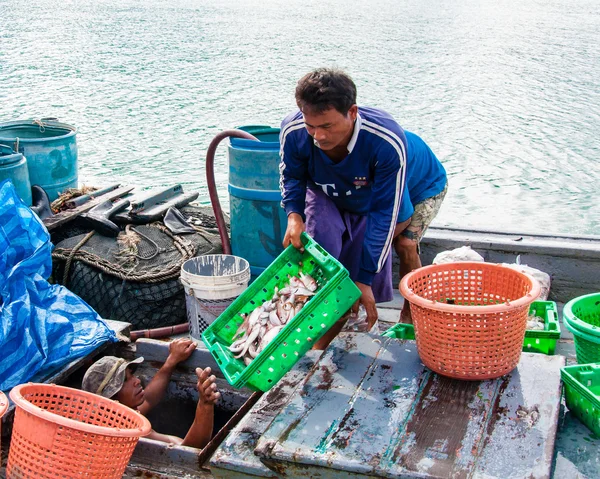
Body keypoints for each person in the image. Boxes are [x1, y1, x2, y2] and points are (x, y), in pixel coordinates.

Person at [279, 68, 447, 346]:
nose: (318, 136)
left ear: (352, 112)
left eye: (328, 126)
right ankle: (334, 315)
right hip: (350, 187)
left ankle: (411, 317)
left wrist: (364, 278)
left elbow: (386, 214)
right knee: (339, 244)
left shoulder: (385, 142)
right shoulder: (295, 130)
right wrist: (294, 216)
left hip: (420, 185)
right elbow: (292, 176)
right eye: (311, 125)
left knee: (404, 243)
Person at [82, 338, 220, 449]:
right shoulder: (130, 435)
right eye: (125, 381)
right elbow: (191, 449)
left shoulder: (121, 416)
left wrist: (172, 360)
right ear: (112, 401)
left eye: (131, 375)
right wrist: (205, 404)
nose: (136, 381)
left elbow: (148, 398)